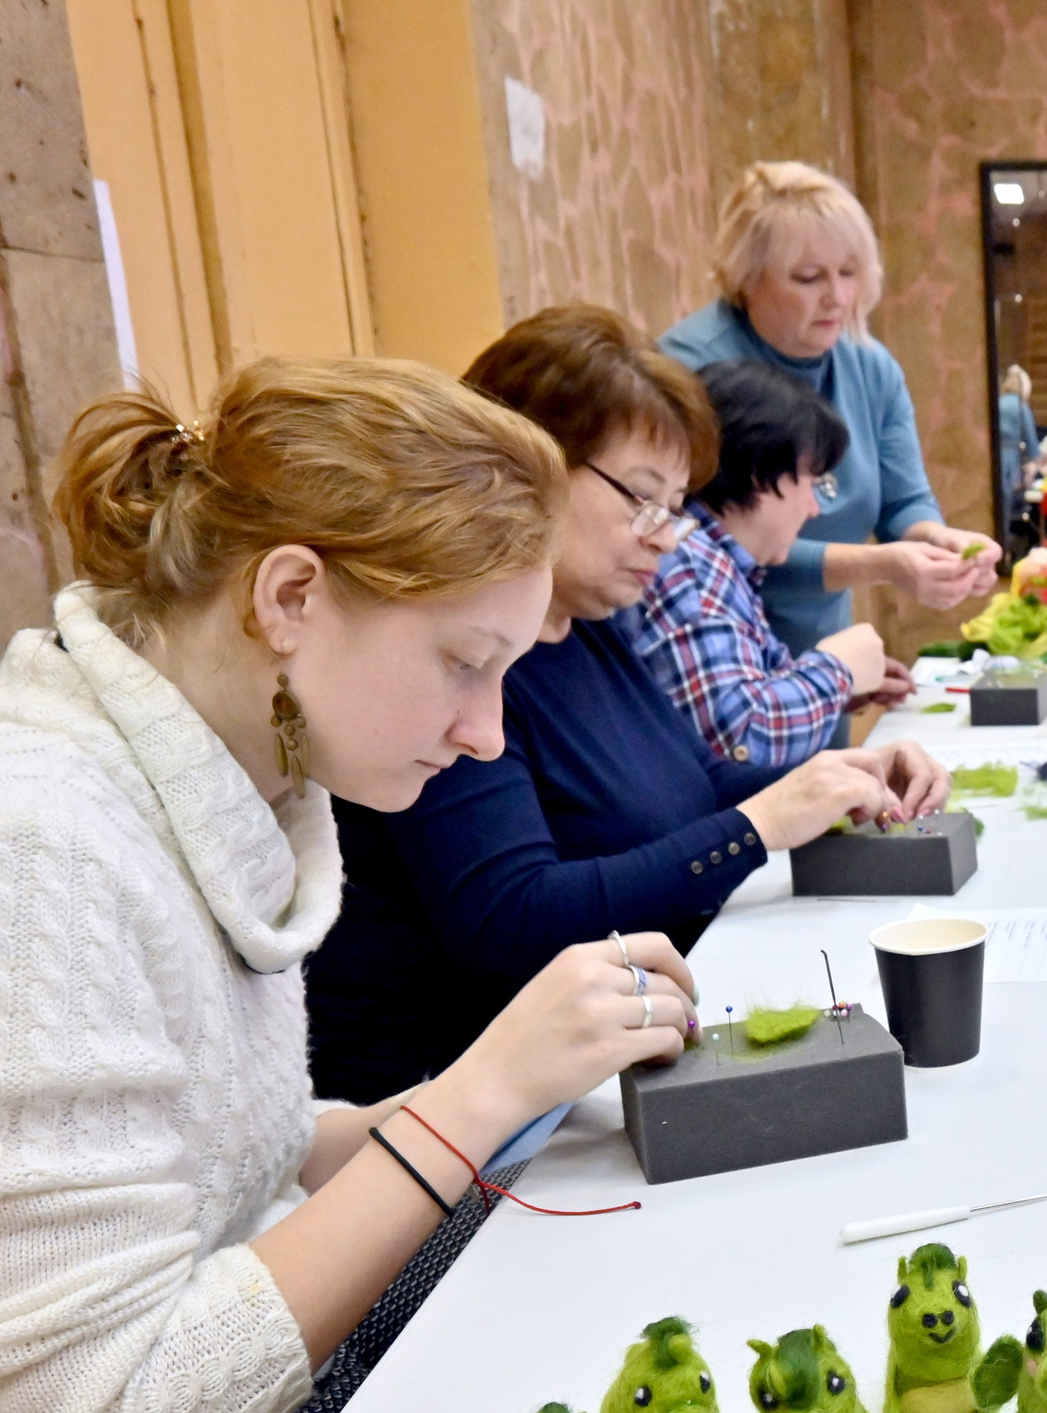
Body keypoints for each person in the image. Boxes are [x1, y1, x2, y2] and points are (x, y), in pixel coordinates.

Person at [0, 359, 707, 1413]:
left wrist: (526, 1092)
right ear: (290, 597)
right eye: (467, 663)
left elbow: (250, 1149)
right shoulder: (21, 847)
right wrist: (470, 1100)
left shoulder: (233, 780)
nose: (483, 734)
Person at [307, 308, 946, 1104]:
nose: (667, 536)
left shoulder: (590, 625)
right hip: (470, 1118)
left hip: (608, 1066)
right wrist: (758, 827)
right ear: (524, 467)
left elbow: (691, 781)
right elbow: (512, 921)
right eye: (644, 502)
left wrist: (838, 774)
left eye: (677, 507)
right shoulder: (460, 670)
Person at [659, 161, 999, 656]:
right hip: (715, 653)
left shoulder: (871, 366)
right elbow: (707, 544)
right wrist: (882, 565)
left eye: (849, 273)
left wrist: (939, 543)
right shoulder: (689, 371)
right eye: (808, 277)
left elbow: (903, 503)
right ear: (746, 278)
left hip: (821, 649)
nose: (837, 298)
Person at [619, 360, 908, 768]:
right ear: (760, 474)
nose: (812, 508)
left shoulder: (717, 560)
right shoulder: (690, 568)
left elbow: (743, 695)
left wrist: (840, 691)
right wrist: (837, 672)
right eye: (812, 483)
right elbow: (742, 741)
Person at [997, 364, 1037, 506]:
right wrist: (1033, 461)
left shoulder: (998, 403)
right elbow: (1031, 442)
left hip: (994, 459)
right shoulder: (1021, 407)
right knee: (1007, 503)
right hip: (1011, 461)